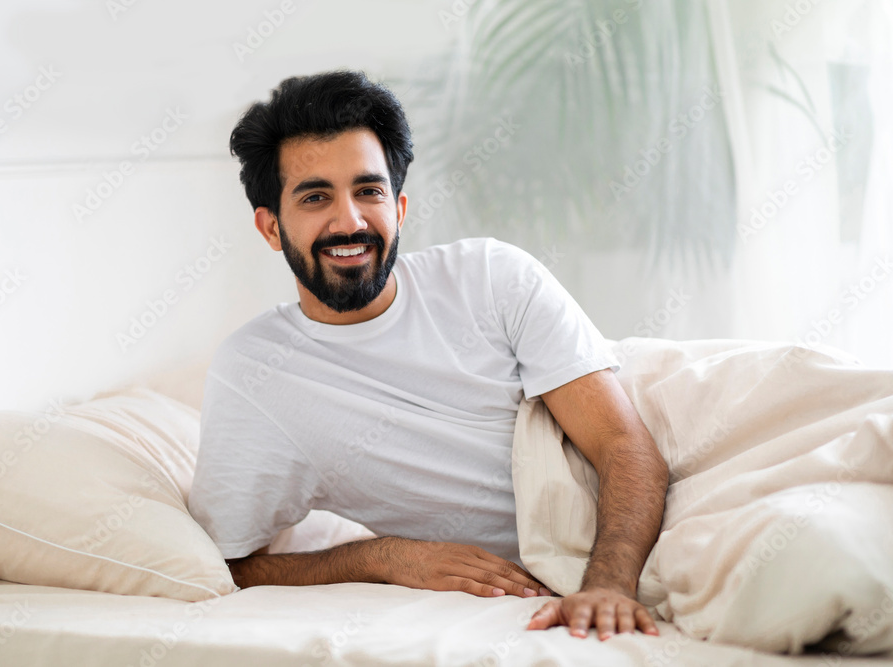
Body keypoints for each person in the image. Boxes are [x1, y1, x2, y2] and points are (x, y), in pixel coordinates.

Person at [188, 70, 669, 641]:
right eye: (316, 197)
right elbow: (229, 565)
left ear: (400, 208)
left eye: (369, 191)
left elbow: (622, 442)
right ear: (271, 228)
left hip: (669, 485)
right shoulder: (255, 373)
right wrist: (382, 557)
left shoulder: (490, 276)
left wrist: (608, 585)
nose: (350, 221)